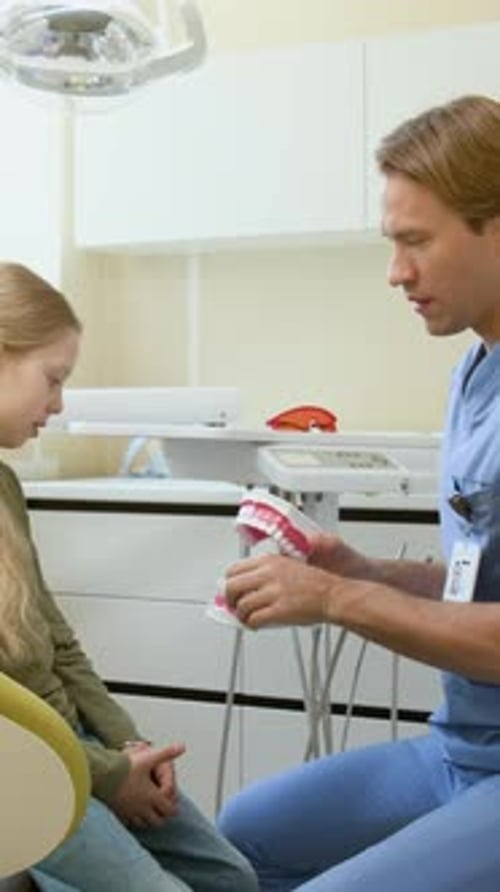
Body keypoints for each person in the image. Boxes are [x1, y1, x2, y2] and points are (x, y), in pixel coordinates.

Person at [217, 94, 500, 891]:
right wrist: (366, 573)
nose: (396, 272)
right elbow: (478, 583)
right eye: (393, 242)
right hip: (463, 750)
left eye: (417, 241)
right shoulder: (474, 370)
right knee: (244, 838)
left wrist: (338, 601)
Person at [0, 262, 258, 892]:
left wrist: (129, 746)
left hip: (75, 743)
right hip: (20, 763)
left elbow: (57, 641)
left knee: (233, 880)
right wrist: (108, 776)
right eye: (53, 379)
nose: (58, 404)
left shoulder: (5, 487)